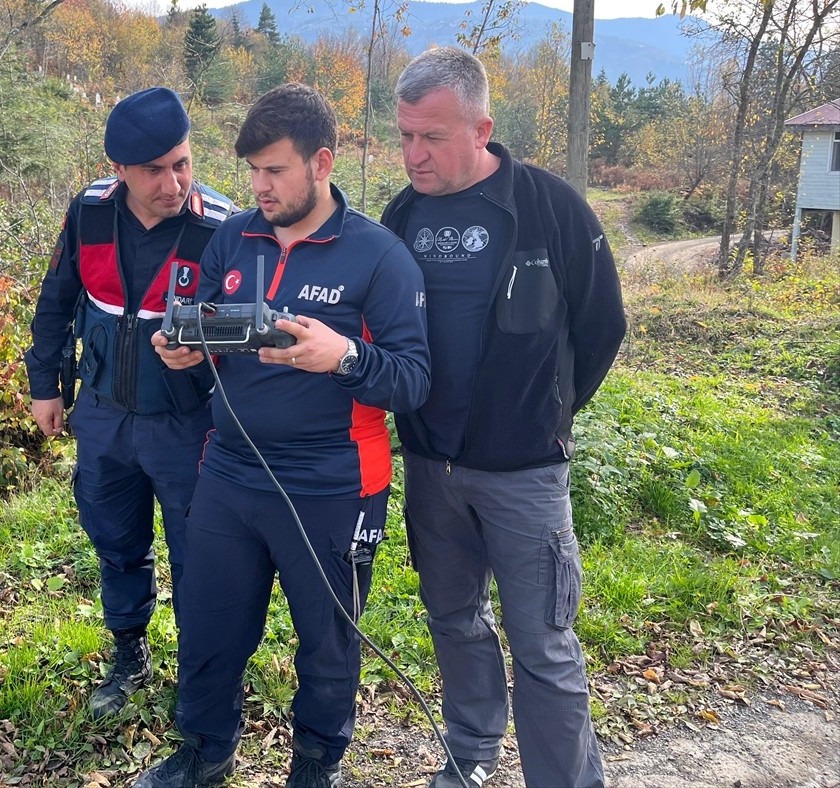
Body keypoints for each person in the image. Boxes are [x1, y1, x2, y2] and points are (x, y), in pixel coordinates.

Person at [133, 83, 431, 788]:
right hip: (230, 472)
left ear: (321, 162)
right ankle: (206, 751)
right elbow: (204, 320)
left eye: (275, 170)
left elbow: (416, 381)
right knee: (208, 626)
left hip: (332, 482)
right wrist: (184, 345)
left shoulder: (379, 258)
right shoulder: (235, 237)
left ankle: (316, 763)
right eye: (252, 172)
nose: (259, 187)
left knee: (327, 644)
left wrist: (347, 357)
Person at [380, 46, 626, 788]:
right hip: (432, 468)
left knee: (544, 645)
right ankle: (471, 755)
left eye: (432, 137)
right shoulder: (403, 215)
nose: (414, 154)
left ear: (481, 128)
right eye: (404, 136)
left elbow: (601, 325)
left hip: (524, 475)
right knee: (454, 623)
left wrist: (546, 415)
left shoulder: (550, 209)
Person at [24, 86, 235, 720]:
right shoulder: (88, 213)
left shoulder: (221, 227)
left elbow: (249, 327)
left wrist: (204, 348)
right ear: (119, 171)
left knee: (201, 554)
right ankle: (129, 654)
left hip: (188, 424)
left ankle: (203, 675)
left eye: (182, 163)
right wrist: (44, 384)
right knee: (115, 539)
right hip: (104, 415)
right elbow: (57, 298)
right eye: (154, 171)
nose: (173, 183)